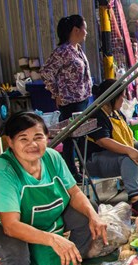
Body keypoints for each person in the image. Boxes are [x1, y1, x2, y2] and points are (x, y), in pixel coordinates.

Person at [0, 112, 108, 265]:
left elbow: (75, 193)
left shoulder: (52, 157)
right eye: (23, 139)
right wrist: (53, 239)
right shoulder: (2, 172)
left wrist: (93, 216)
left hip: (40, 216)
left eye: (38, 137)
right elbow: (10, 226)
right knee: (15, 249)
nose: (32, 144)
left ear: (47, 138)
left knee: (86, 214)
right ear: (10, 142)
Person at [85, 80, 138, 216]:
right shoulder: (97, 115)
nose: (123, 100)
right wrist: (129, 150)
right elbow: (103, 141)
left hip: (115, 154)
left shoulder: (116, 113)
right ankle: (136, 202)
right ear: (112, 98)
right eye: (121, 97)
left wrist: (134, 147)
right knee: (128, 157)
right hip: (96, 161)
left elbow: (127, 137)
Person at [40, 14, 92, 182]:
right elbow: (46, 72)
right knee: (71, 140)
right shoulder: (63, 51)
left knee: (81, 136)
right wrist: (56, 93)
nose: (86, 32)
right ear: (76, 30)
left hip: (83, 99)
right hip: (70, 102)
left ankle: (80, 170)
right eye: (84, 28)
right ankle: (72, 174)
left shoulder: (77, 49)